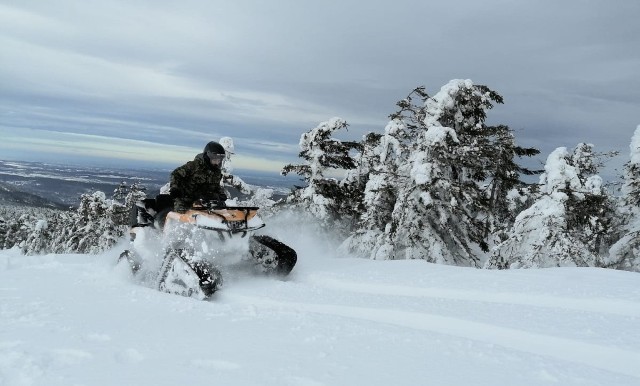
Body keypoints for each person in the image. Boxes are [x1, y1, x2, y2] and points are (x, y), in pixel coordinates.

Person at [169, 141, 228, 212]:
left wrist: (220, 194)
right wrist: (175, 188)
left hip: (205, 200)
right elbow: (176, 174)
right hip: (186, 198)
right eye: (215, 159)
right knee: (181, 211)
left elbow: (216, 186)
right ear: (208, 156)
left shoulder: (216, 172)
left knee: (222, 209)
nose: (217, 162)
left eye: (219, 160)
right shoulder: (194, 166)